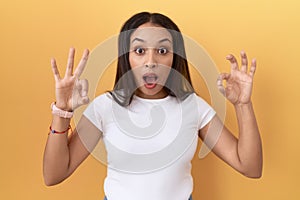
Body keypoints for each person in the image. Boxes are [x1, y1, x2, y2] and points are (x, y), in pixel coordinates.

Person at [43, 12, 263, 200]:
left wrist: (243, 104)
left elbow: (250, 166)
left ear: (174, 58)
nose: (151, 61)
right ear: (126, 57)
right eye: (140, 51)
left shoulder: (194, 107)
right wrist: (62, 111)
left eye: (162, 51)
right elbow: (54, 175)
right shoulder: (105, 107)